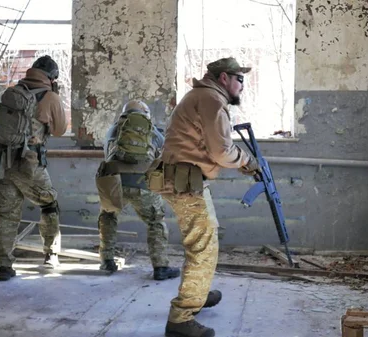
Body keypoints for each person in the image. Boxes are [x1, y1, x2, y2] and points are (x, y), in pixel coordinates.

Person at [159, 57, 260, 337]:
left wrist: (239, 160)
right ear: (224, 78)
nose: (242, 86)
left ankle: (197, 294)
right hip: (184, 180)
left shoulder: (201, 95)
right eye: (240, 79)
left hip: (183, 177)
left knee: (204, 239)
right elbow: (221, 152)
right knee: (203, 246)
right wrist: (246, 160)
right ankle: (181, 319)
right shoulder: (212, 100)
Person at [0, 55, 67, 281]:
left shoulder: (14, 92)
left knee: (6, 215)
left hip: (2, 162)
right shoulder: (49, 96)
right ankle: (50, 254)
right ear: (52, 77)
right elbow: (60, 130)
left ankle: (4, 266)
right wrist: (55, 99)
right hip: (29, 164)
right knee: (49, 203)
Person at [95, 99, 180, 281]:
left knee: (108, 216)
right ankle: (160, 267)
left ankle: (106, 260)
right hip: (143, 185)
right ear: (147, 115)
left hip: (115, 183)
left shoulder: (112, 130)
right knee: (155, 221)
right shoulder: (152, 131)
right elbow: (165, 154)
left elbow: (107, 153)